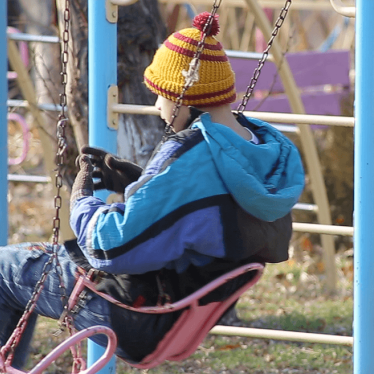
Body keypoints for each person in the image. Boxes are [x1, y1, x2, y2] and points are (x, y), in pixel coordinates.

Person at [0, 12, 305, 369]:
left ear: (182, 98)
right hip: (182, 314)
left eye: (160, 96)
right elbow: (202, 216)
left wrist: (82, 201)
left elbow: (109, 247)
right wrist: (139, 183)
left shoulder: (189, 154)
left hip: (132, 312)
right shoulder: (264, 152)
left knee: (4, 266)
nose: (157, 107)